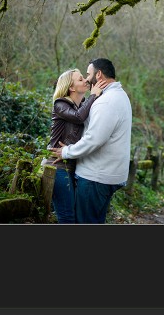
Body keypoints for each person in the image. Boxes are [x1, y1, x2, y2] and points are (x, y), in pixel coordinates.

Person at [50, 58, 132, 224]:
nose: (87, 79)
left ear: (99, 74)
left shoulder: (107, 101)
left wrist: (66, 151)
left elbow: (94, 139)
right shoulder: (117, 96)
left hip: (96, 176)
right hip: (102, 174)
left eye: (87, 74)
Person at [45, 68, 103, 223]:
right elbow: (78, 118)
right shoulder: (60, 104)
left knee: (75, 216)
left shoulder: (81, 106)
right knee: (67, 216)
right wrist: (93, 95)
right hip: (57, 166)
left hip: (72, 165)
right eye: (80, 79)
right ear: (71, 88)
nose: (86, 81)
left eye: (84, 78)